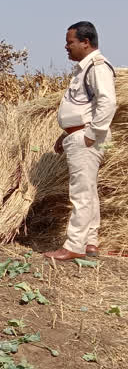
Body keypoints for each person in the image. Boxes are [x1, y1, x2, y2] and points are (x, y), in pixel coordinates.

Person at [44, 21, 116, 261]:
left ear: (86, 43)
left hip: (87, 138)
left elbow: (107, 102)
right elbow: (83, 108)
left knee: (81, 193)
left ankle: (74, 245)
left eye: (70, 42)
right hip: (79, 135)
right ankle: (90, 242)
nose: (66, 47)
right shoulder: (84, 69)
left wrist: (89, 134)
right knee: (89, 191)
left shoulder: (97, 67)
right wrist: (66, 134)